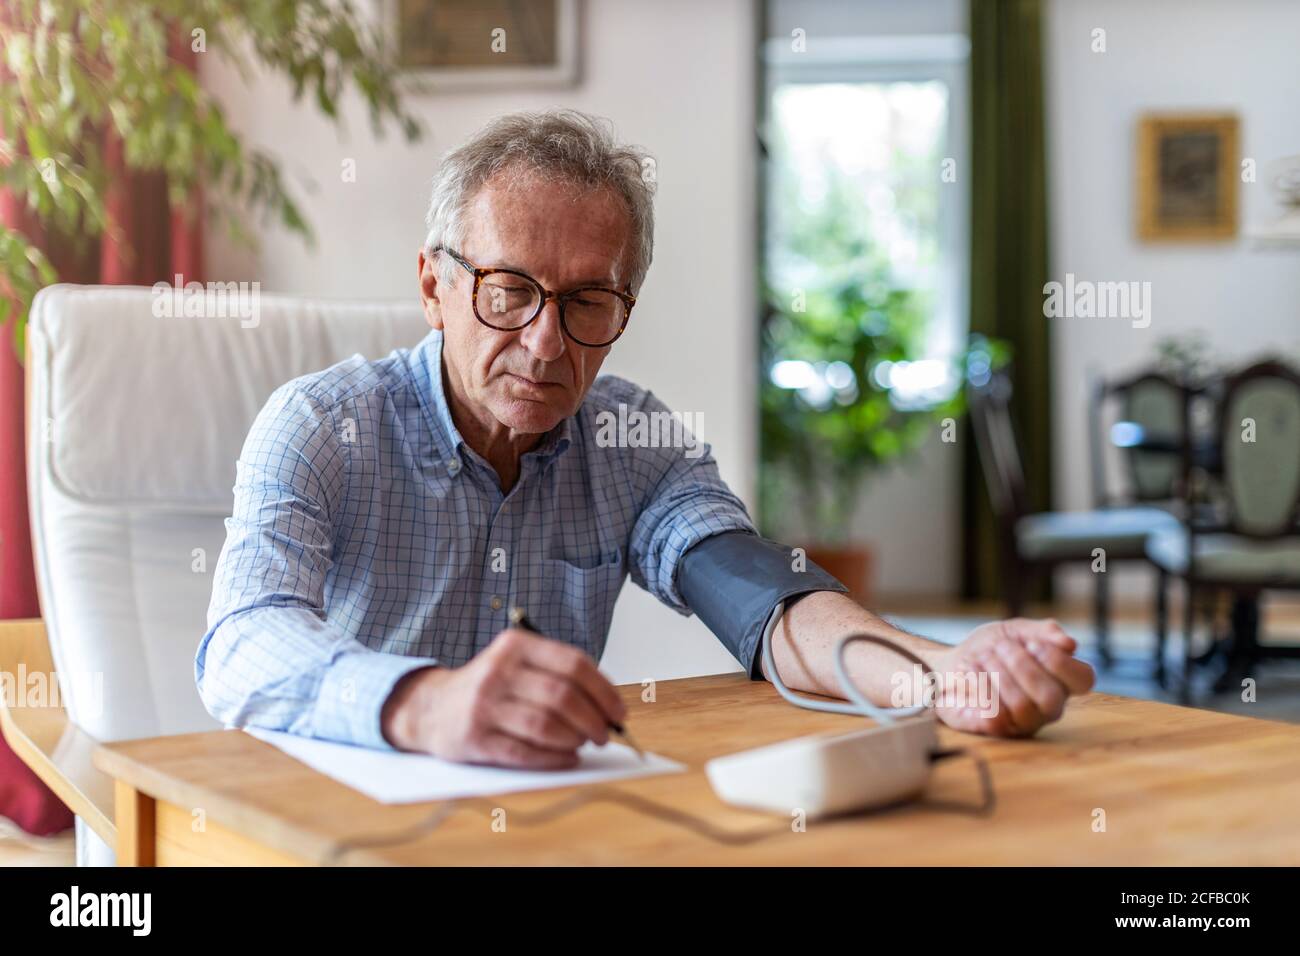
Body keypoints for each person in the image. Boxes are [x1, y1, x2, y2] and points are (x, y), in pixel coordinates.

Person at [197, 109, 1093, 769]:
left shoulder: (630, 439)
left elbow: (763, 600)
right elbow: (242, 641)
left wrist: (944, 675)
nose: (546, 343)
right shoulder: (321, 426)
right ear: (434, 285)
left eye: (588, 301)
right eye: (508, 290)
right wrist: (425, 704)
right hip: (339, 821)